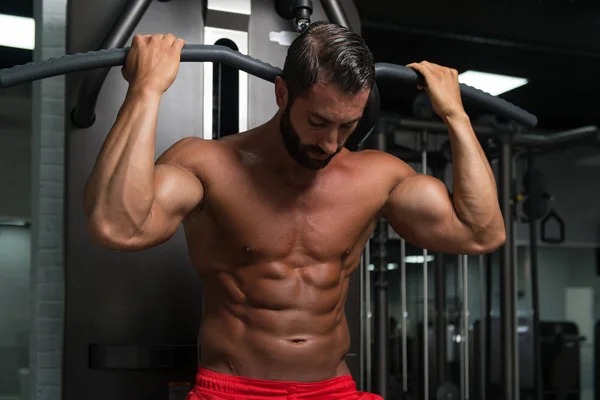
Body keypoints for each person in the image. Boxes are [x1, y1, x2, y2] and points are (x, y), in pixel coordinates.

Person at [83, 21, 506, 400]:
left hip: (334, 390)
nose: (331, 143)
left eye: (348, 125)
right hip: (235, 392)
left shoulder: (377, 176)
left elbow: (480, 232)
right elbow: (119, 226)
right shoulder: (208, 165)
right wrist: (145, 90)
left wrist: (455, 116)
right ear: (283, 93)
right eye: (318, 122)